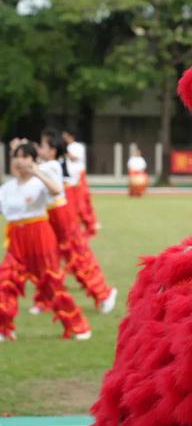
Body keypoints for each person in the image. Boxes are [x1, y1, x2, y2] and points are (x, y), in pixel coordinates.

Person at [0, 142, 92, 341]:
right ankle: (3, 328)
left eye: (25, 156)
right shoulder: (7, 188)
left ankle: (78, 326)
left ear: (33, 160)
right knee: (5, 281)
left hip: (40, 237)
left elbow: (57, 190)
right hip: (16, 239)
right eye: (16, 156)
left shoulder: (39, 182)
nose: (19, 160)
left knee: (52, 285)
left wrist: (37, 173)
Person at [36, 128, 117, 314]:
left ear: (53, 150)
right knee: (49, 258)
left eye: (42, 146)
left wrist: (24, 153)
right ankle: (46, 299)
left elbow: (33, 169)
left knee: (76, 259)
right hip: (52, 216)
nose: (40, 149)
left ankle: (104, 293)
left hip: (61, 218)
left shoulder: (52, 166)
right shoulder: (50, 164)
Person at [62, 129, 99, 237]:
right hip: (69, 179)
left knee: (83, 201)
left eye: (66, 137)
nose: (64, 139)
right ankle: (75, 223)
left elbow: (75, 157)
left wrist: (64, 152)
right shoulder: (67, 148)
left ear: (71, 136)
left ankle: (90, 222)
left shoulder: (78, 146)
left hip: (78, 178)